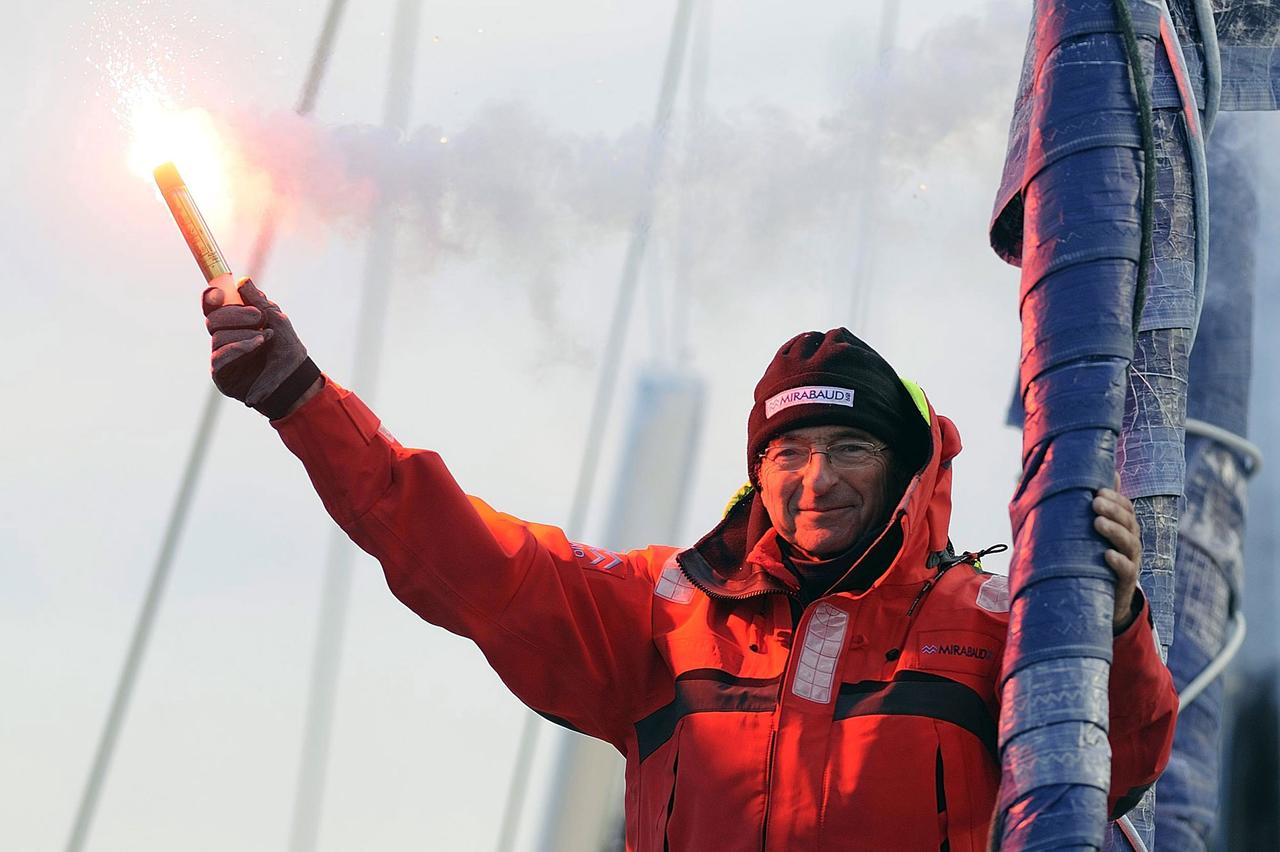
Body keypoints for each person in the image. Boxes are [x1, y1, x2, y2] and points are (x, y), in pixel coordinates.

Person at [203, 279, 1177, 851]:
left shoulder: (994, 618)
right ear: (756, 472)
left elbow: (1117, 769)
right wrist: (300, 396)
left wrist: (1116, 617)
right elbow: (451, 545)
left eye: (848, 450)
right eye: (785, 453)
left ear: (903, 469)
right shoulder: (663, 616)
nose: (814, 480)